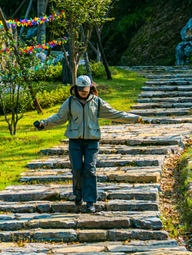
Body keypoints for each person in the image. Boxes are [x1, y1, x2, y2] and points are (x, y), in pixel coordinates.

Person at [33, 74, 144, 214]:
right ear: (76, 88)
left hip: (92, 140)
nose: (83, 92)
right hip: (75, 140)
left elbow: (115, 113)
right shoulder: (70, 102)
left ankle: (90, 202)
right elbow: (59, 117)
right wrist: (44, 123)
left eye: (85, 89)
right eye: (80, 89)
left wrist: (134, 118)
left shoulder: (97, 102)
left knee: (90, 170)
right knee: (77, 169)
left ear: (90, 88)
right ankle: (78, 194)